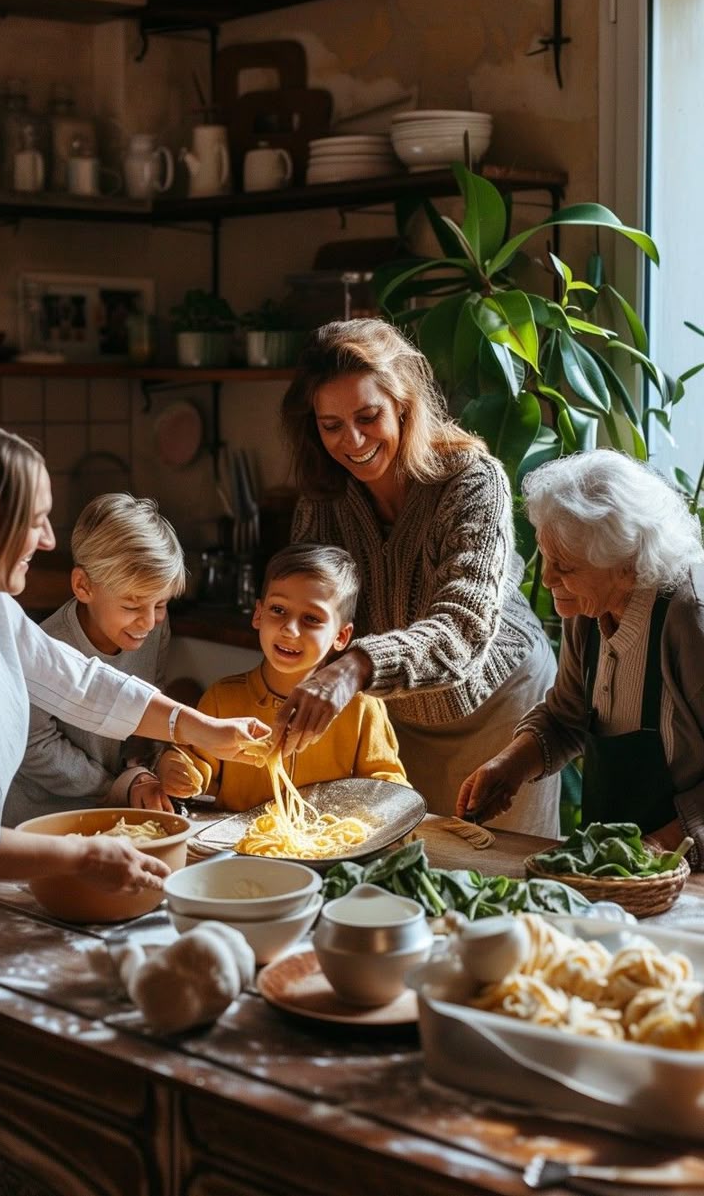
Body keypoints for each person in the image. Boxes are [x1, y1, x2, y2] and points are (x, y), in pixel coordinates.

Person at [271, 317, 560, 834]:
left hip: (502, 708)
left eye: (368, 416)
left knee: (500, 879)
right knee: (408, 869)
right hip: (394, 714)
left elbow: (463, 628)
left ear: (404, 405)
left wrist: (353, 667)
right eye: (331, 425)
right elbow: (308, 612)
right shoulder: (323, 500)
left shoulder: (472, 480)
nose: (352, 441)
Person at [0, 416, 269, 891]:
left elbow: (83, 684)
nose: (48, 539)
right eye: (33, 520)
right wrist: (81, 856)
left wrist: (198, 728)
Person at [456, 449, 704, 865]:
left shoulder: (689, 615)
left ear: (626, 566)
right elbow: (567, 715)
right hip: (615, 855)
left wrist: (660, 848)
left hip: (687, 864)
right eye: (546, 556)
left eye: (565, 566)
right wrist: (511, 766)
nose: (548, 577)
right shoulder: (590, 603)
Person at [156, 542, 409, 811]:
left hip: (328, 847)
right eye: (278, 610)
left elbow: (388, 784)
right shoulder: (223, 698)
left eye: (311, 618)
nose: (290, 629)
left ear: (341, 636)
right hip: (239, 847)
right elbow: (195, 760)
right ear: (258, 613)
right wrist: (175, 768)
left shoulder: (361, 708)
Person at [4, 493, 186, 827]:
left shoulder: (151, 630)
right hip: (43, 818)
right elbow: (35, 746)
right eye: (132, 606)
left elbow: (149, 697)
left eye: (160, 604)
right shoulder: (46, 647)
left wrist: (159, 760)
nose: (148, 621)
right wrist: (117, 785)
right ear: (83, 586)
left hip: (116, 806)